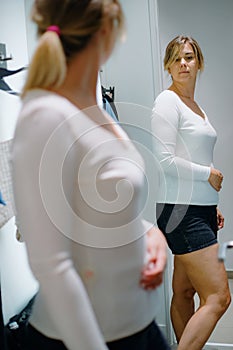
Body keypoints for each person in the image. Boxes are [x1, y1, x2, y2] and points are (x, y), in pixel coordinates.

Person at [11, 1, 170, 349]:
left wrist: (149, 233)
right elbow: (51, 265)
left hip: (138, 326)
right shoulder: (45, 116)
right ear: (105, 32)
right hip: (86, 337)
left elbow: (103, 204)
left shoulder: (94, 107)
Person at [151, 35, 231, 350]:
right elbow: (164, 160)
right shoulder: (167, 102)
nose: (184, 64)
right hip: (180, 209)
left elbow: (195, 154)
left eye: (189, 57)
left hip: (198, 208)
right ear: (168, 65)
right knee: (219, 297)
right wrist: (207, 175)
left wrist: (211, 204)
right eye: (177, 58)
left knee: (185, 293)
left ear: (198, 63)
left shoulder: (193, 106)